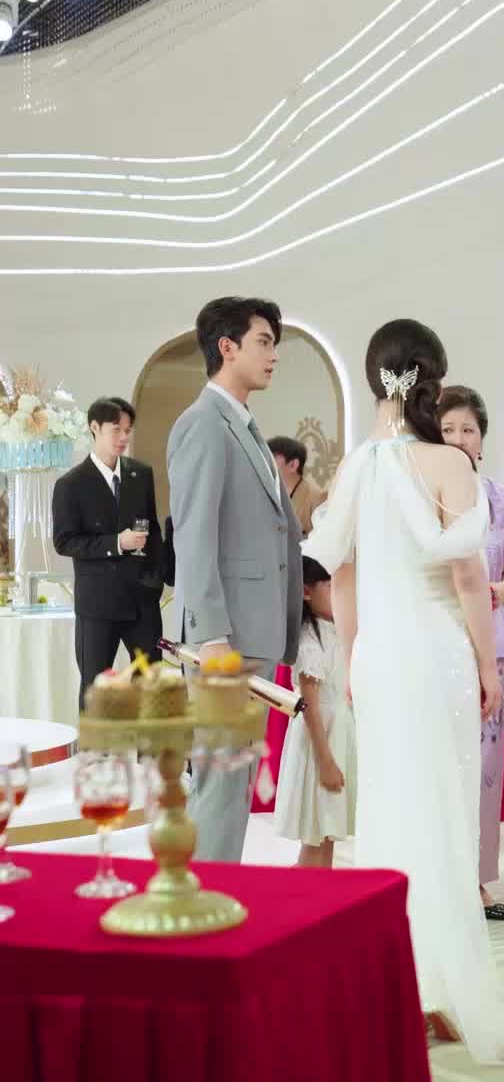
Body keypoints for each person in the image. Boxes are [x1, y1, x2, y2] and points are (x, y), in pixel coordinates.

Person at [305, 318, 504, 1063]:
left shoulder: (355, 469)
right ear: (430, 380)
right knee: (444, 812)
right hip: (436, 650)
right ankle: (441, 985)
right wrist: (485, 664)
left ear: (377, 380)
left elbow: (340, 576)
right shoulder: (447, 463)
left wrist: (353, 656)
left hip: (379, 653)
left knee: (388, 812)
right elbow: (469, 576)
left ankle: (397, 983)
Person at [167, 296, 303, 863]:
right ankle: (202, 899)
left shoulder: (242, 423)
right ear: (227, 347)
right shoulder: (203, 423)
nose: (274, 355)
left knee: (233, 782)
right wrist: (212, 637)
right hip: (226, 641)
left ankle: (216, 889)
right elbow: (193, 537)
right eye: (263, 342)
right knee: (221, 784)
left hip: (252, 634)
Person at [438, 384, 504, 924]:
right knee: (443, 764)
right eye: (447, 429)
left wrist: (498, 590)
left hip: (493, 641)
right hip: (441, 641)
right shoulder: (426, 493)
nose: (458, 438)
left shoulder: (499, 498)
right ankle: (439, 875)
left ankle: (476, 879)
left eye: (467, 429)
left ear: (482, 439)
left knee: (486, 767)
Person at [52, 395, 164, 707]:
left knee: (152, 687)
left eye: (128, 430)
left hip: (142, 602)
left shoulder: (141, 474)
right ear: (95, 428)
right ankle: (94, 744)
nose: (124, 437)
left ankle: (147, 744)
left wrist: (155, 580)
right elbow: (64, 542)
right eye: (116, 430)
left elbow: (153, 530)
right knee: (95, 691)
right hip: (98, 605)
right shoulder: (70, 484)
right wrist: (117, 543)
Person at [273, 556, 356, 869]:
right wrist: (325, 762)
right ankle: (303, 889)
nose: (339, 593)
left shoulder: (336, 630)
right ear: (307, 592)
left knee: (326, 833)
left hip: (338, 738)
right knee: (316, 835)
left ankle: (317, 887)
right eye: (330, 585)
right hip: (320, 743)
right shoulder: (309, 639)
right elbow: (309, 708)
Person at [268, 436, 328, 535]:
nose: (267, 464)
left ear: (293, 465)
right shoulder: (269, 496)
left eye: (271, 459)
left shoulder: (318, 498)